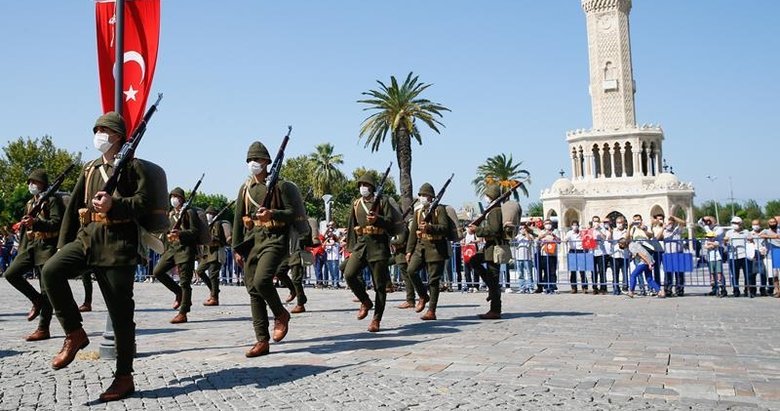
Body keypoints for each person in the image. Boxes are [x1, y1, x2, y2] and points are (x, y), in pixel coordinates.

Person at [41, 112, 154, 401]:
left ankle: (124, 376)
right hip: (87, 239)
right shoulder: (90, 168)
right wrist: (62, 245)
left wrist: (114, 205)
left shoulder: (134, 167)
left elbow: (144, 202)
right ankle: (74, 333)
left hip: (118, 245)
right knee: (51, 271)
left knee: (120, 315)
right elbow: (72, 209)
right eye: (97, 130)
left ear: (118, 136)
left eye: (105, 130)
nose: (99, 135)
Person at [232, 141, 293, 357]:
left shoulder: (280, 186)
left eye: (256, 160)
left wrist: (272, 214)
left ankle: (281, 313)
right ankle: (262, 340)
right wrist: (236, 248)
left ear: (266, 162)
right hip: (252, 241)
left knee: (261, 280)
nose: (253, 163)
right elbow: (238, 220)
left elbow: (292, 213)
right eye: (250, 160)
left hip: (274, 239)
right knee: (253, 290)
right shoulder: (245, 189)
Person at [3, 169, 64, 342]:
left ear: (43, 183)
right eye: (30, 182)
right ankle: (36, 300)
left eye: (34, 182)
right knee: (10, 274)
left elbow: (57, 223)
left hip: (47, 247)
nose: (31, 185)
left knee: (47, 289)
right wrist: (21, 249)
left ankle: (43, 328)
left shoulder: (52, 200)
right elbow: (24, 229)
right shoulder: (30, 202)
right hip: (30, 246)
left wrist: (36, 222)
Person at [343, 174, 392, 332]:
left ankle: (376, 319)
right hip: (361, 244)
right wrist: (351, 248)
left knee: (379, 286)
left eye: (366, 185)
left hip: (378, 246)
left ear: (372, 187)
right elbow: (352, 225)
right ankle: (365, 300)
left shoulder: (383, 202)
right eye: (361, 185)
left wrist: (377, 219)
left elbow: (391, 223)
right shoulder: (357, 203)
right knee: (349, 274)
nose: (363, 187)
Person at [151, 187, 199, 323]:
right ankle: (178, 292)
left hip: (185, 250)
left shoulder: (189, 212)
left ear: (182, 199)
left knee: (185, 283)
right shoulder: (171, 214)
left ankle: (183, 312)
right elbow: (167, 233)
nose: (174, 199)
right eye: (172, 196)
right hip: (172, 250)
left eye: (176, 197)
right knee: (157, 272)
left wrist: (180, 234)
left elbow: (194, 232)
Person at [406, 183, 449, 320]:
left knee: (433, 281)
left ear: (431, 197)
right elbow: (413, 233)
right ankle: (423, 295)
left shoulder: (439, 210)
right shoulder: (419, 211)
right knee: (411, 271)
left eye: (424, 195)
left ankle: (431, 310)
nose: (422, 197)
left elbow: (444, 228)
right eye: (421, 195)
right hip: (420, 247)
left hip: (436, 248)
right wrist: (409, 251)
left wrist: (429, 228)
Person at [466, 185, 504, 319]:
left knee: (493, 278)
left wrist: (477, 230)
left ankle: (495, 309)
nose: (486, 198)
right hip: (490, 247)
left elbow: (494, 230)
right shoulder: (493, 210)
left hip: (494, 247)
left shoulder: (495, 211)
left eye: (487, 195)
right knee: (474, 261)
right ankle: (491, 289)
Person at [196, 206, 231, 306]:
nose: (208, 215)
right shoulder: (205, 225)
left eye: (211, 214)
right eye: (207, 213)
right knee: (199, 271)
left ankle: (214, 298)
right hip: (206, 253)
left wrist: (209, 238)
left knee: (213, 275)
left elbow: (219, 238)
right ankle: (213, 289)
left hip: (216, 252)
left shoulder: (218, 224)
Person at [391, 216, 415, 308]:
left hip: (402, 256)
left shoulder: (402, 228)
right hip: (398, 255)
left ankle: (410, 300)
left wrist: (391, 241)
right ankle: (388, 285)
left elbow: (401, 240)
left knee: (407, 278)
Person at [724, 216, 752, 297]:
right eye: (733, 223)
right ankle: (736, 290)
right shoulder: (729, 233)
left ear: (741, 224)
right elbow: (725, 244)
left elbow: (751, 242)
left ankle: (747, 290)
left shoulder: (746, 232)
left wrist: (751, 240)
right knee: (735, 275)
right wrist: (725, 241)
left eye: (736, 223)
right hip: (733, 256)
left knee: (747, 274)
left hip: (745, 255)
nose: (735, 224)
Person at [662, 215, 686, 296]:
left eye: (672, 222)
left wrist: (674, 217)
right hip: (668, 253)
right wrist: (664, 227)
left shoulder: (677, 229)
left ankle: (679, 290)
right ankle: (668, 290)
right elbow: (658, 237)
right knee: (668, 273)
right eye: (669, 221)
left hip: (678, 253)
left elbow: (684, 223)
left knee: (679, 273)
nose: (670, 223)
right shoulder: (665, 230)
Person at [537, 219, 559, 294]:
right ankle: (546, 287)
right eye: (546, 223)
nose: (548, 225)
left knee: (552, 271)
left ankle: (552, 287)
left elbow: (559, 241)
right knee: (546, 271)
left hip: (553, 254)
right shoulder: (541, 232)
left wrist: (553, 235)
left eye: (549, 223)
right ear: (544, 225)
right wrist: (544, 235)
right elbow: (537, 240)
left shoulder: (555, 231)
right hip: (544, 254)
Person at [564, 220, 588, 293]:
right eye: (573, 225)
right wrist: (566, 240)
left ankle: (584, 287)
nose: (575, 226)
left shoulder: (581, 233)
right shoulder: (569, 233)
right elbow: (565, 239)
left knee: (582, 270)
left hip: (581, 251)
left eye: (576, 225)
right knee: (573, 271)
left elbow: (586, 239)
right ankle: (574, 288)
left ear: (578, 226)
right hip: (572, 251)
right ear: (571, 226)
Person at [759, 217, 780, 297]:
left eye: (774, 222)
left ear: (776, 223)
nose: (772, 223)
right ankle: (777, 291)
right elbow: (760, 235)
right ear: (768, 224)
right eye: (771, 222)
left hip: (778, 253)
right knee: (774, 275)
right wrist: (773, 236)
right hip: (772, 254)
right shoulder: (766, 231)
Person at [703, 231, 727, 297]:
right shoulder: (706, 242)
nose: (709, 238)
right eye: (708, 237)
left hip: (717, 258)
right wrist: (711, 245)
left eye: (711, 237)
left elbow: (716, 244)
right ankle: (713, 282)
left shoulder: (716, 241)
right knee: (712, 271)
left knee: (719, 271)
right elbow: (706, 247)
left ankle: (720, 283)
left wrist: (710, 244)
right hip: (710, 259)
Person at [514, 223, 535, 293]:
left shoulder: (530, 235)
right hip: (519, 257)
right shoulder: (518, 236)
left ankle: (530, 287)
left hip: (527, 257)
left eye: (523, 228)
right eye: (520, 228)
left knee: (529, 273)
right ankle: (522, 287)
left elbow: (530, 240)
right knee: (520, 273)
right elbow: (513, 239)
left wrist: (526, 232)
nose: (522, 230)